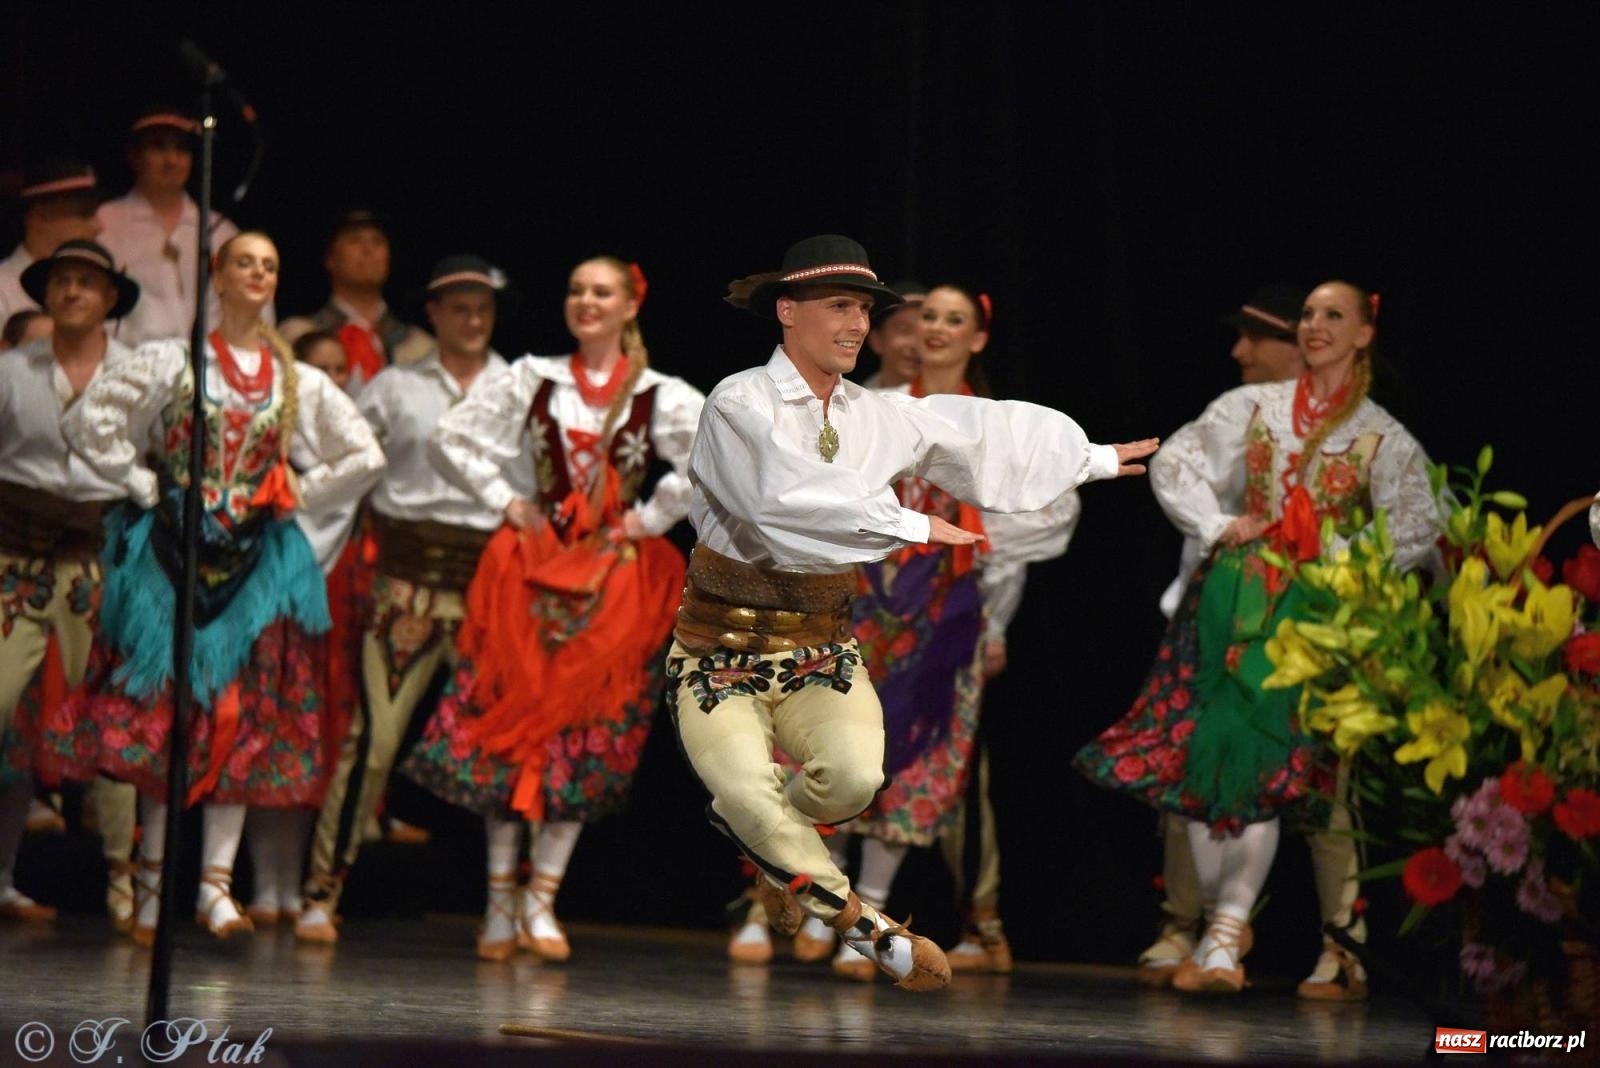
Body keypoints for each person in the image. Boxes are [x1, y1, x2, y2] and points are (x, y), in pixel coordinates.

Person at [673, 234, 1157, 991]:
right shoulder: (739, 402)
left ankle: (769, 842)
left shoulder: (877, 414)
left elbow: (976, 432)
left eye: (864, 310)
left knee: (855, 780)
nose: (858, 325)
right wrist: (908, 522)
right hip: (720, 651)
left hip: (819, 648)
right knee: (744, 790)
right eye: (841, 306)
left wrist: (1088, 458)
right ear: (788, 311)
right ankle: (870, 931)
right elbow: (777, 501)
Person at [1074, 280, 1439, 994]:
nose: (1315, 325)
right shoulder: (1256, 407)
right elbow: (1176, 461)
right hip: (1241, 599)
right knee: (1215, 752)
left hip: (1320, 615)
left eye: (1333, 316)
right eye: (1309, 315)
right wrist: (1218, 524)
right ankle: (1215, 929)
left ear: (1365, 333)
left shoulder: (1382, 433)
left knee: (1314, 775)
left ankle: (1334, 942)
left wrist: (1343, 561)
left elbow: (1420, 520)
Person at [44, 230, 384, 945]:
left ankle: (215, 883)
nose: (257, 274)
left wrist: (298, 489)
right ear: (217, 276)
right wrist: (145, 483)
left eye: (270, 265)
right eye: (244, 263)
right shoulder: (174, 360)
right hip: (173, 553)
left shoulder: (292, 378)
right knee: (168, 715)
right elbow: (87, 422)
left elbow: (363, 454)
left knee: (244, 713)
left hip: (253, 562)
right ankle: (151, 886)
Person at [402, 256, 703, 961]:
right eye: (576, 290)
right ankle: (499, 899)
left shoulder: (658, 393)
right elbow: (450, 439)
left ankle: (543, 897)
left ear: (630, 305)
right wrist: (505, 500)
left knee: (583, 732)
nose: (586, 301)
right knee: (512, 727)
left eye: (601, 292)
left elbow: (713, 460)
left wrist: (648, 518)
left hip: (610, 579)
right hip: (531, 572)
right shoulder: (533, 378)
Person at [294, 256, 515, 943]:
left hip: (488, 582)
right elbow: (344, 457)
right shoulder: (394, 387)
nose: (472, 319)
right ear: (434, 314)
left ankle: (506, 907)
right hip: (407, 582)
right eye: (459, 308)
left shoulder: (518, 388)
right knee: (375, 740)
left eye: (482, 308)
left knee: (507, 742)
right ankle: (322, 892)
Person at [0, 240, 141, 924]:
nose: (73, 291)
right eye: (62, 281)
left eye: (87, 282)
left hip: (96, 557)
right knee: (1, 707)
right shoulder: (12, 371)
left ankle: (125, 876)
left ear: (110, 298)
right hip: (15, 556)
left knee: (110, 713)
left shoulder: (139, 376)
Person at [97, 108, 255, 347]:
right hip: (130, 361)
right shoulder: (105, 223)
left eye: (182, 149)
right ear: (134, 156)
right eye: (158, 147)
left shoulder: (220, 231)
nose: (171, 160)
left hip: (212, 363)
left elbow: (252, 307)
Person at [278, 211, 433, 392]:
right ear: (330, 258)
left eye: (377, 241)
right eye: (355, 240)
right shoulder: (296, 335)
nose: (368, 249)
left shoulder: (419, 345)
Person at [0, 158, 103, 323]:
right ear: (40, 217)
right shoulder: (3, 290)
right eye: (84, 214)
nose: (100, 226)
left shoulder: (103, 289)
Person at [860, 281, 925, 389]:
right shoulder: (853, 395)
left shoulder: (948, 396)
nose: (915, 344)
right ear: (876, 340)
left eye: (924, 332)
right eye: (904, 330)